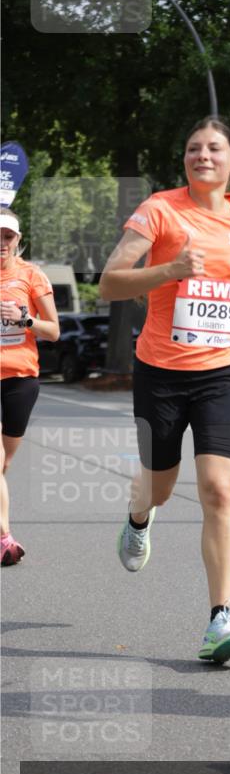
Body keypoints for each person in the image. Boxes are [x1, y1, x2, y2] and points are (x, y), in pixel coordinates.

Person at [99, 117, 230, 662]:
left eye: (213, 148)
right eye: (192, 148)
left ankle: (219, 619)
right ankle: (139, 517)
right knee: (157, 488)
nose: (202, 155)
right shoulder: (159, 209)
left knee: (219, 491)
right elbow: (110, 281)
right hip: (161, 370)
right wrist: (171, 269)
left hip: (224, 370)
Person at [1, 208, 60, 565]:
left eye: (7, 236)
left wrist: (23, 318)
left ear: (18, 241)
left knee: (4, 463)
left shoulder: (31, 275)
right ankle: (4, 538)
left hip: (21, 379)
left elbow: (53, 330)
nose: (1, 243)